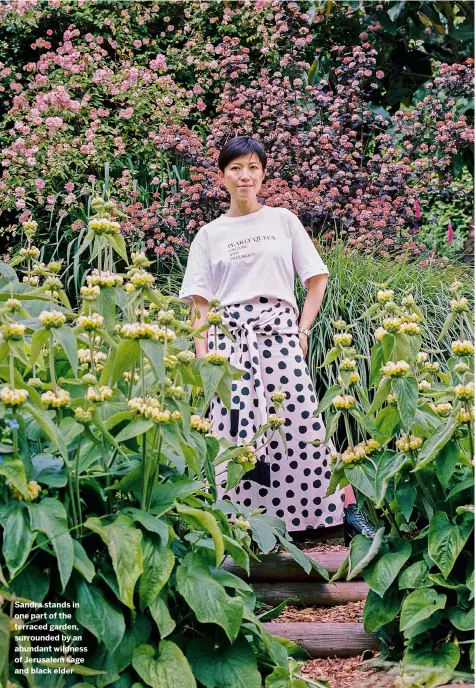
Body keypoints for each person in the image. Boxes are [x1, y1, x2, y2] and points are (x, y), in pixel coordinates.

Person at [179, 136, 345, 535]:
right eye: (235, 168)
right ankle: (239, 522)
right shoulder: (209, 234)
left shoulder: (282, 220)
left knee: (300, 420)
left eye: (253, 167)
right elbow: (199, 302)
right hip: (229, 341)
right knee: (234, 428)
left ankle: (323, 517)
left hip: (279, 333)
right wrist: (204, 357)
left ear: (263, 174)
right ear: (221, 177)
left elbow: (316, 279)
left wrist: (303, 329)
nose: (245, 176)